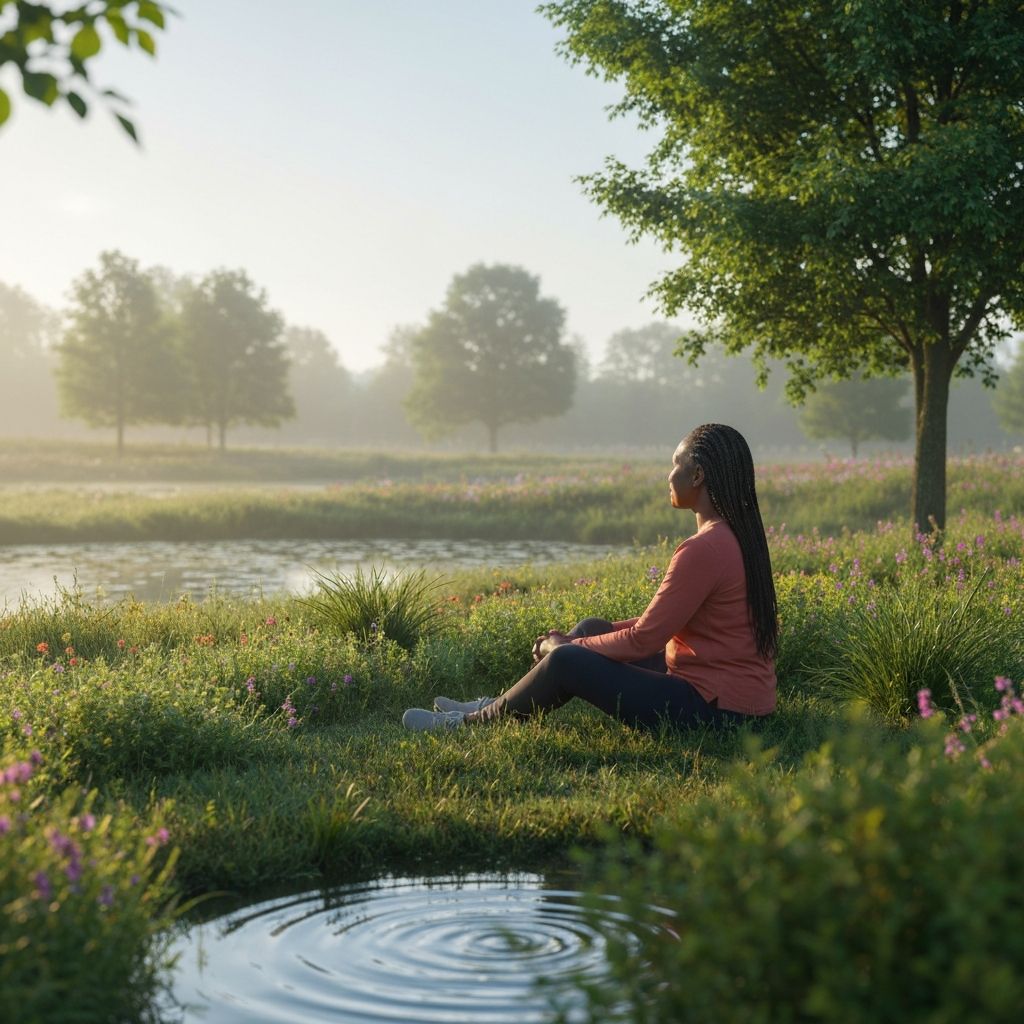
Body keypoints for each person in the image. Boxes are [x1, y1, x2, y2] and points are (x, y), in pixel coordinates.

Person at [402, 423, 778, 732]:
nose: (669, 475)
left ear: (696, 475)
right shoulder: (734, 536)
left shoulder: (704, 549)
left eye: (675, 464)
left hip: (717, 712)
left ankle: (473, 723)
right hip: (735, 703)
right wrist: (583, 639)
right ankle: (500, 703)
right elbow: (661, 626)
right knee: (592, 628)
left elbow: (643, 640)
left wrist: (563, 647)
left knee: (567, 661)